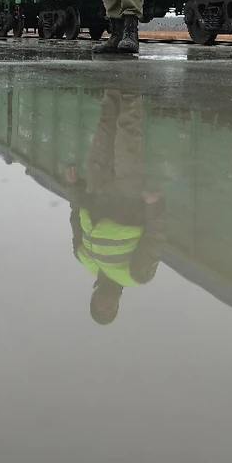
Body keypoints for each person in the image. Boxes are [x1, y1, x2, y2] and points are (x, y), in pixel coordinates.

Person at [66, 89, 166, 325]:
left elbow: (76, 217)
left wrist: (73, 187)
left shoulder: (84, 259)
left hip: (96, 187)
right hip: (128, 196)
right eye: (111, 310)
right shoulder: (137, 276)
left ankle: (111, 90)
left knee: (104, 131)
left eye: (102, 309)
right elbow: (155, 240)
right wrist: (154, 207)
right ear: (118, 306)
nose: (108, 306)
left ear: (92, 299)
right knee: (127, 138)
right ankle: (131, 91)